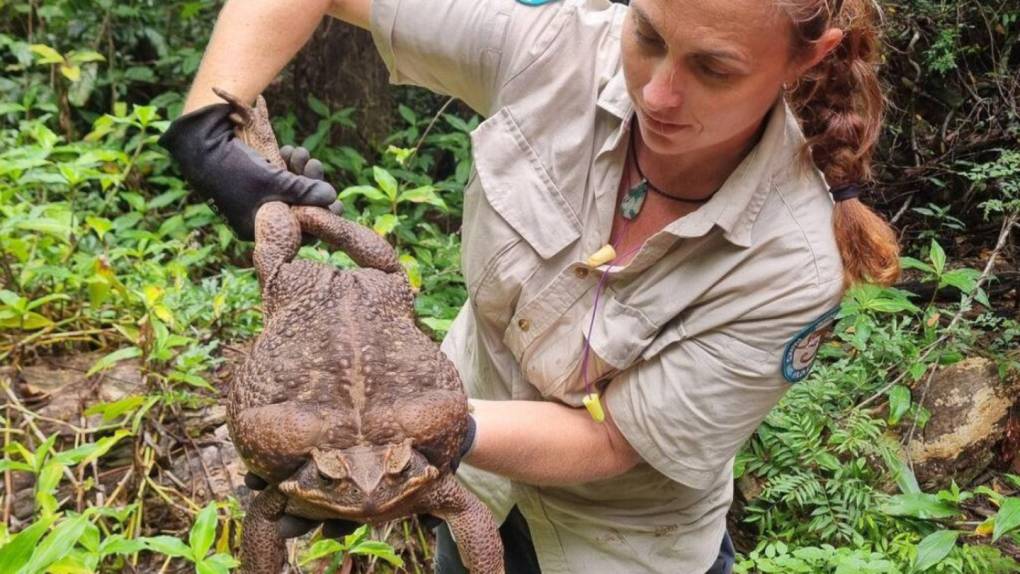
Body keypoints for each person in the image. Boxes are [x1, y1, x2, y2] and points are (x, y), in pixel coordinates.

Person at [159, 0, 901, 571]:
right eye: (647, 35)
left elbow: (614, 441)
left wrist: (416, 434)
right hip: (474, 494)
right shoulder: (560, 47)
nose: (660, 92)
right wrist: (208, 133)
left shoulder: (794, 261)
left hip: (621, 546)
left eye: (714, 69)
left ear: (807, 59)